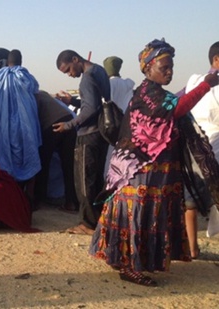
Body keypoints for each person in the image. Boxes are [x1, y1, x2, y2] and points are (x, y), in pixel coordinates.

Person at [89, 38, 219, 287]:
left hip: (157, 170)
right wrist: (206, 85)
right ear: (148, 68)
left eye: (171, 67)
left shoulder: (158, 94)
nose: (169, 72)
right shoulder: (148, 95)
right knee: (137, 214)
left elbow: (176, 101)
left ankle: (135, 260)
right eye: (164, 67)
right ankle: (128, 265)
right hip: (141, 170)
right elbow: (177, 108)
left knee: (149, 214)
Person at [53, 50, 110, 235]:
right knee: (96, 179)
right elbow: (94, 104)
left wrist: (69, 124)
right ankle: (100, 220)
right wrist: (73, 101)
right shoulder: (99, 71)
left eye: (69, 69)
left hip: (89, 135)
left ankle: (88, 224)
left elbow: (90, 110)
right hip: (101, 133)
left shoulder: (86, 77)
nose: (70, 74)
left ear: (75, 59)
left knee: (85, 182)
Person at [0, 49, 41, 203]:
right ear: (21, 61)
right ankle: (30, 198)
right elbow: (34, 89)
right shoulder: (26, 76)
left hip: (4, 126)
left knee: (5, 158)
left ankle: (10, 195)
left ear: (7, 62)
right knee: (30, 156)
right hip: (25, 126)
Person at [182, 41, 219, 259]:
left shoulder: (194, 80)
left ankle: (193, 249)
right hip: (212, 148)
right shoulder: (203, 82)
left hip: (194, 149)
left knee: (191, 201)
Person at [33, 90, 79, 212]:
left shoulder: (32, 95)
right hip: (69, 122)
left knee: (43, 163)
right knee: (68, 165)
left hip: (52, 125)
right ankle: (71, 202)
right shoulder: (44, 94)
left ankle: (38, 199)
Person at [102, 56, 135, 174]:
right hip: (126, 124)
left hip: (110, 125)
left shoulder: (106, 85)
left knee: (109, 159)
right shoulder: (127, 84)